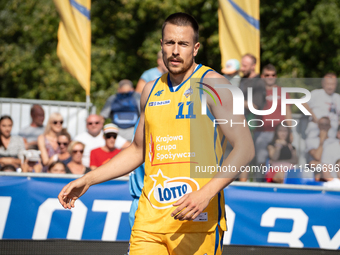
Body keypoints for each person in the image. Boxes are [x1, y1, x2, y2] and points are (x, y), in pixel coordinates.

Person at [58, 13, 254, 255]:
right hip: (149, 222)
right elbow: (137, 150)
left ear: (195, 48)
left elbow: (245, 148)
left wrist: (206, 193)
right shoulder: (150, 90)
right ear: (161, 45)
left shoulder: (215, 85)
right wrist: (88, 179)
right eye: (169, 42)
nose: (175, 50)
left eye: (182, 44)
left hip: (196, 220)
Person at [254, 64, 292, 167]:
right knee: (260, 162)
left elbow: (287, 112)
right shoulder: (257, 91)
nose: (270, 77)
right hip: (261, 132)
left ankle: (274, 182)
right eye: (267, 75)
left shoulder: (282, 91)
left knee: (278, 161)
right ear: (263, 76)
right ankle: (259, 182)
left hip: (279, 133)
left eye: (273, 75)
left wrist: (290, 131)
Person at [303, 73, 340, 138]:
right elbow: (301, 102)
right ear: (323, 84)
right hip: (315, 132)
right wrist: (315, 118)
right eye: (328, 84)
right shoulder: (316, 93)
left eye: (332, 84)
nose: (330, 87)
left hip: (332, 135)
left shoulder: (337, 97)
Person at [305, 117, 337, 181]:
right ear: (318, 125)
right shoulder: (310, 141)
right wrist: (322, 140)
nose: (324, 127)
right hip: (317, 173)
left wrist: (319, 163)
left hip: (334, 172)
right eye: (321, 124)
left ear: (330, 126)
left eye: (326, 124)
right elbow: (317, 156)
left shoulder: (335, 142)